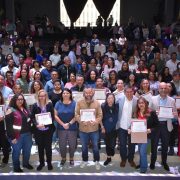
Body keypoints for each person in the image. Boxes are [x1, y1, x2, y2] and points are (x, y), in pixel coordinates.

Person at [149, 82, 177, 171]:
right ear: (158, 89)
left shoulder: (172, 100)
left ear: (167, 89)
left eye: (165, 88)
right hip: (155, 126)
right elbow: (148, 112)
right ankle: (153, 162)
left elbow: (175, 115)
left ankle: (164, 162)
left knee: (165, 146)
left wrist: (173, 114)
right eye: (161, 88)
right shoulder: (153, 99)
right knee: (154, 145)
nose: (163, 90)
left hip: (166, 125)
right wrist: (154, 113)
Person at [75, 87, 102, 170]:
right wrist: (81, 121)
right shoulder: (79, 102)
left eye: (90, 92)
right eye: (86, 93)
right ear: (84, 93)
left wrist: (96, 121)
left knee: (95, 146)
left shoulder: (97, 103)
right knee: (84, 147)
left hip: (94, 129)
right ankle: (85, 160)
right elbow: (76, 114)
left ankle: (97, 161)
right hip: (83, 129)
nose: (88, 94)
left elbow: (100, 115)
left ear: (92, 93)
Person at [5, 94, 33, 172]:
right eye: (18, 99)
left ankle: (25, 163)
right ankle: (16, 167)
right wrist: (12, 137)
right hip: (16, 136)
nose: (20, 101)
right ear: (14, 100)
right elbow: (8, 126)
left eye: (22, 99)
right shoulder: (10, 110)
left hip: (27, 134)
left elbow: (28, 120)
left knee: (27, 150)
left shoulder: (25, 109)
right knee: (16, 151)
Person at [132, 97, 159, 173]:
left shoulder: (151, 112)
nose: (141, 104)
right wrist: (130, 129)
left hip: (147, 136)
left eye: (142, 103)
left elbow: (157, 125)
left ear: (146, 103)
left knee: (143, 152)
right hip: (138, 136)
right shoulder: (136, 112)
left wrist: (150, 130)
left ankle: (143, 168)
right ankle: (141, 164)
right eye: (139, 103)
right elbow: (133, 123)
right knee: (141, 151)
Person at [31, 90, 55, 171]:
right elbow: (32, 117)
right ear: (38, 97)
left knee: (48, 148)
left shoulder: (50, 105)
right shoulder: (34, 105)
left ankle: (49, 163)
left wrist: (45, 124)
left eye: (43, 96)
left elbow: (53, 117)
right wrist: (36, 124)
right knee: (40, 148)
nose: (42, 97)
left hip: (48, 130)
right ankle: (41, 163)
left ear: (46, 96)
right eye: (40, 96)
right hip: (38, 131)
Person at [116, 85, 137, 168]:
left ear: (133, 92)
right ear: (124, 93)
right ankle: (123, 159)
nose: (129, 93)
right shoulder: (120, 100)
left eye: (130, 92)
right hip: (122, 126)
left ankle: (131, 159)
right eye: (127, 92)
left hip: (132, 127)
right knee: (122, 145)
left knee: (132, 145)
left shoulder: (136, 100)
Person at [54, 88, 77, 166]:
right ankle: (63, 158)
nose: (65, 94)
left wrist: (69, 124)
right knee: (62, 145)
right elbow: (55, 115)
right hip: (61, 128)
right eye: (64, 93)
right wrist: (63, 124)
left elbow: (76, 116)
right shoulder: (58, 103)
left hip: (72, 128)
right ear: (62, 94)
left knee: (72, 144)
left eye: (67, 93)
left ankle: (71, 158)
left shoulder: (74, 103)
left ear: (70, 94)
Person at [101, 93, 118, 166]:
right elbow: (100, 118)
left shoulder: (117, 106)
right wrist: (102, 127)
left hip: (114, 128)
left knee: (113, 143)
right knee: (107, 144)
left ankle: (112, 149)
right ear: (106, 99)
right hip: (106, 128)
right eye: (109, 98)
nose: (110, 100)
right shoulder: (103, 106)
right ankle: (108, 158)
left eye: (112, 98)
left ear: (114, 99)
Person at [0, 92, 10, 167]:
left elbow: (9, 115)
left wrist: (4, 116)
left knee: (5, 145)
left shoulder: (5, 106)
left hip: (2, 129)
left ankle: (5, 160)